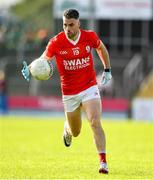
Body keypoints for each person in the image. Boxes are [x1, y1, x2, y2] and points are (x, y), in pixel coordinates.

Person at [22, 9, 112, 174]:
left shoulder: (89, 36)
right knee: (76, 132)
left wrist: (107, 70)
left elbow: (101, 48)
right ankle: (67, 129)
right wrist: (29, 69)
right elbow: (43, 60)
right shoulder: (56, 42)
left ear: (78, 23)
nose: (67, 28)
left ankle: (103, 162)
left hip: (89, 86)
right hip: (69, 92)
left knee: (94, 122)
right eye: (65, 25)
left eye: (71, 25)